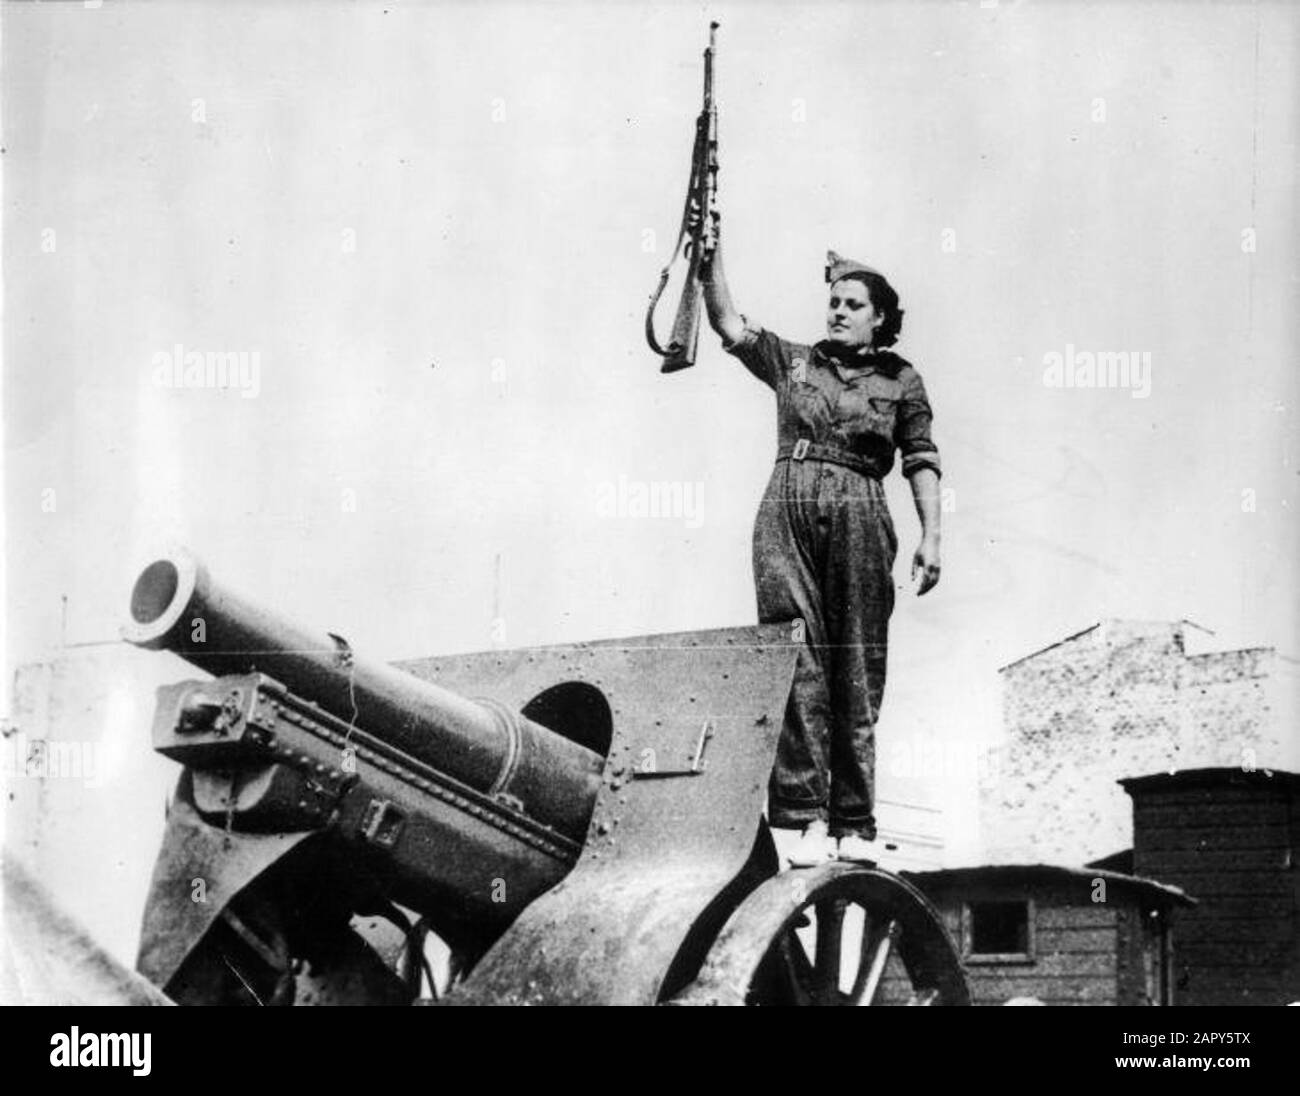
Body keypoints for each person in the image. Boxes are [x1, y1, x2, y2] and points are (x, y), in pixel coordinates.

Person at [699, 226, 942, 866]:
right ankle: (803, 819)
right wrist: (709, 256)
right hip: (788, 504)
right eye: (833, 300)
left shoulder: (902, 380)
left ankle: (853, 824)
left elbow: (919, 459)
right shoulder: (795, 361)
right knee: (795, 656)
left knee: (855, 664)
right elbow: (728, 323)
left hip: (862, 507)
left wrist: (931, 536)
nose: (838, 310)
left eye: (853, 303)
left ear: (880, 318)